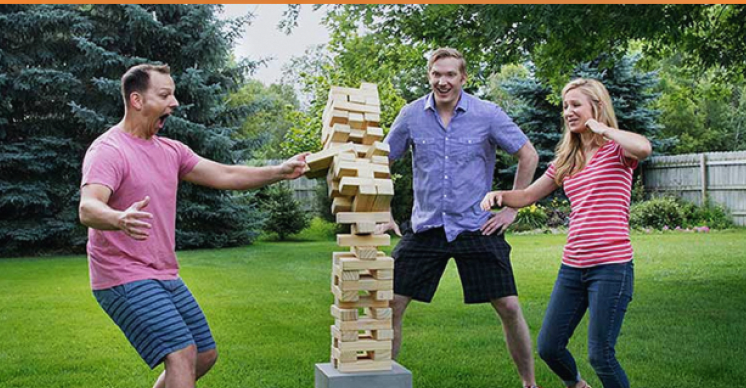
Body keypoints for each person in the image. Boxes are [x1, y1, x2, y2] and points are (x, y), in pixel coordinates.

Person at [78, 64, 308, 388]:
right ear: (137, 100)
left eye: (173, 94)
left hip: (164, 272)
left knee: (204, 354)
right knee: (182, 354)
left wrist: (280, 171)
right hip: (122, 274)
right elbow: (88, 207)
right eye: (164, 94)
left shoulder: (171, 151)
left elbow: (226, 175)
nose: (174, 102)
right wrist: (118, 218)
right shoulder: (109, 150)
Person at [378, 48, 541, 388]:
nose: (443, 81)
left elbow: (528, 155)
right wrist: (383, 209)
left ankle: (529, 384)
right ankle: (380, 380)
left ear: (463, 78)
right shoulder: (410, 116)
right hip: (427, 227)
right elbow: (381, 162)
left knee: (509, 307)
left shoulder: (488, 114)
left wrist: (511, 208)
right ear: (429, 76)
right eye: (437, 74)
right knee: (390, 303)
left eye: (450, 74)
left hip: (476, 226)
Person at [481, 78, 652, 388]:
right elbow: (528, 195)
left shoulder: (617, 152)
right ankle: (577, 385)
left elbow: (644, 147)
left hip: (611, 266)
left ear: (596, 107)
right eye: (565, 106)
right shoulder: (566, 160)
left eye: (575, 105)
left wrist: (602, 129)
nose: (568, 112)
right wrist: (500, 195)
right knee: (549, 346)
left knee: (601, 355)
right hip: (573, 266)